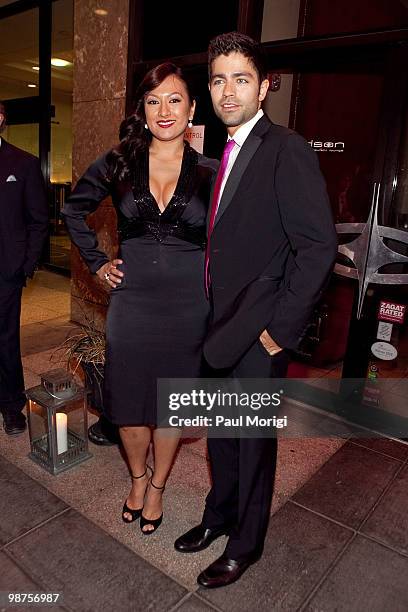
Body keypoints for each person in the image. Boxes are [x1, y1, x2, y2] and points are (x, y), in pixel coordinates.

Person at [174, 33, 338, 587]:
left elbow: (316, 247)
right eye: (218, 79)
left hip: (259, 330)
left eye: (241, 78)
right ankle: (218, 517)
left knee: (251, 441)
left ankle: (246, 544)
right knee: (222, 433)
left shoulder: (285, 148)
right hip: (222, 326)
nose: (227, 90)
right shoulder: (224, 153)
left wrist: (278, 332)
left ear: (264, 87)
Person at [62, 63, 218, 534]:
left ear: (191, 109)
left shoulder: (213, 172)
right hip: (132, 307)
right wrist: (97, 261)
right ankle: (137, 476)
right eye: (153, 101)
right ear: (142, 110)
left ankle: (158, 487)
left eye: (174, 100)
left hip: (190, 309)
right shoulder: (119, 162)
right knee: (129, 406)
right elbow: (74, 210)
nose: (164, 110)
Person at [0, 101, 48, 436]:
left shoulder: (24, 163)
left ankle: (11, 405)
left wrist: (24, 264)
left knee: (4, 338)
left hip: (5, 270)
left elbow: (38, 221)